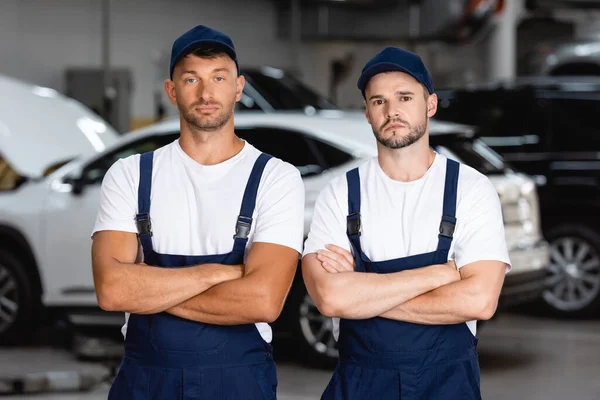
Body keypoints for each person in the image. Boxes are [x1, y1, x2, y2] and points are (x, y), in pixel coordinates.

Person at [91, 24, 304, 399]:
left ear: (238, 87)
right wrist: (219, 274)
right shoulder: (130, 175)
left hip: (238, 384)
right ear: (171, 91)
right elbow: (112, 290)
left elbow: (263, 301)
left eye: (219, 77)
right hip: (146, 383)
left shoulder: (276, 178)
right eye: (191, 79)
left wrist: (149, 288)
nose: (206, 92)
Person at [302, 47, 511, 400]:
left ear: (430, 105)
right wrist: (439, 275)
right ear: (367, 113)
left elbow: (478, 301)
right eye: (378, 101)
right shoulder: (339, 193)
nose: (391, 111)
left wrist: (363, 293)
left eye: (404, 97)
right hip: (359, 385)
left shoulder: (471, 190)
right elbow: (330, 297)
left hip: (447, 387)